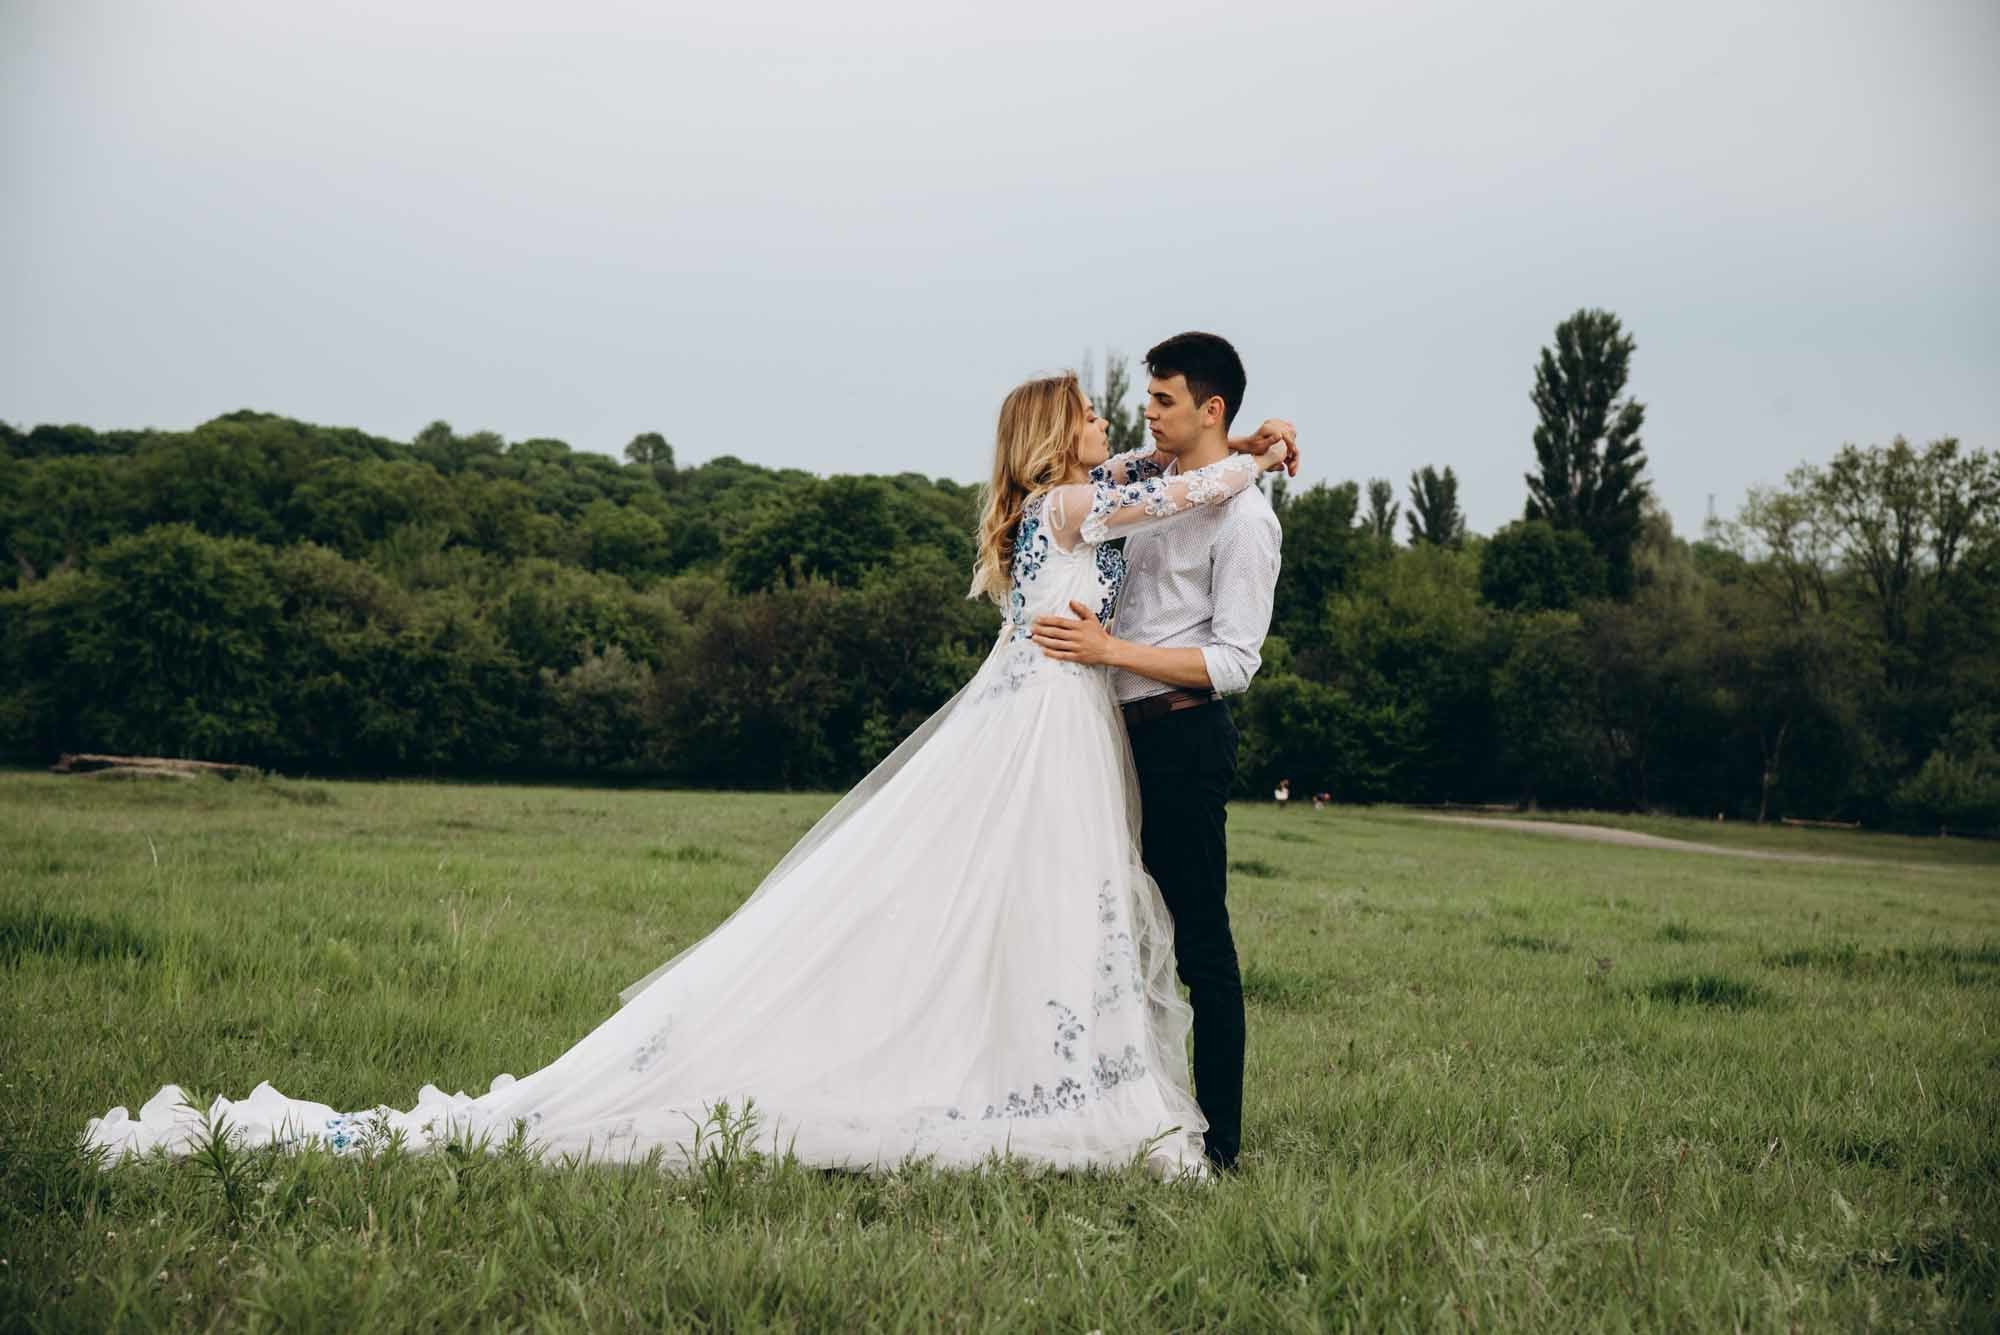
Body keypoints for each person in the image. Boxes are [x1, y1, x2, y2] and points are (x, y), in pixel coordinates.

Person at [84, 369, 1293, 1181]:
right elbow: (1180, 489)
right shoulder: (1070, 505)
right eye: (1088, 414)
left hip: (1052, 720)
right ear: (1050, 438)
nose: (1107, 424)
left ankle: (1045, 1069)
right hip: (1042, 728)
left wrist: (1243, 446)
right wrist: (1260, 457)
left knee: (1031, 902)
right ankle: (1042, 1083)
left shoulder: (1059, 501)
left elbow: (1164, 482)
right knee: (1018, 896)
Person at [1027, 332, 1284, 1174]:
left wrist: (1114, 654)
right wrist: (1252, 444)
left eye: (1164, 400)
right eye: (1147, 398)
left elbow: (1235, 662)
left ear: (1209, 408)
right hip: (1102, 739)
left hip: (1180, 735)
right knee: (1114, 934)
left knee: (1198, 940)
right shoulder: (1141, 488)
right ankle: (1115, 1106)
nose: (1147, 412)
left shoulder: (1246, 521)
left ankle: (1222, 1144)